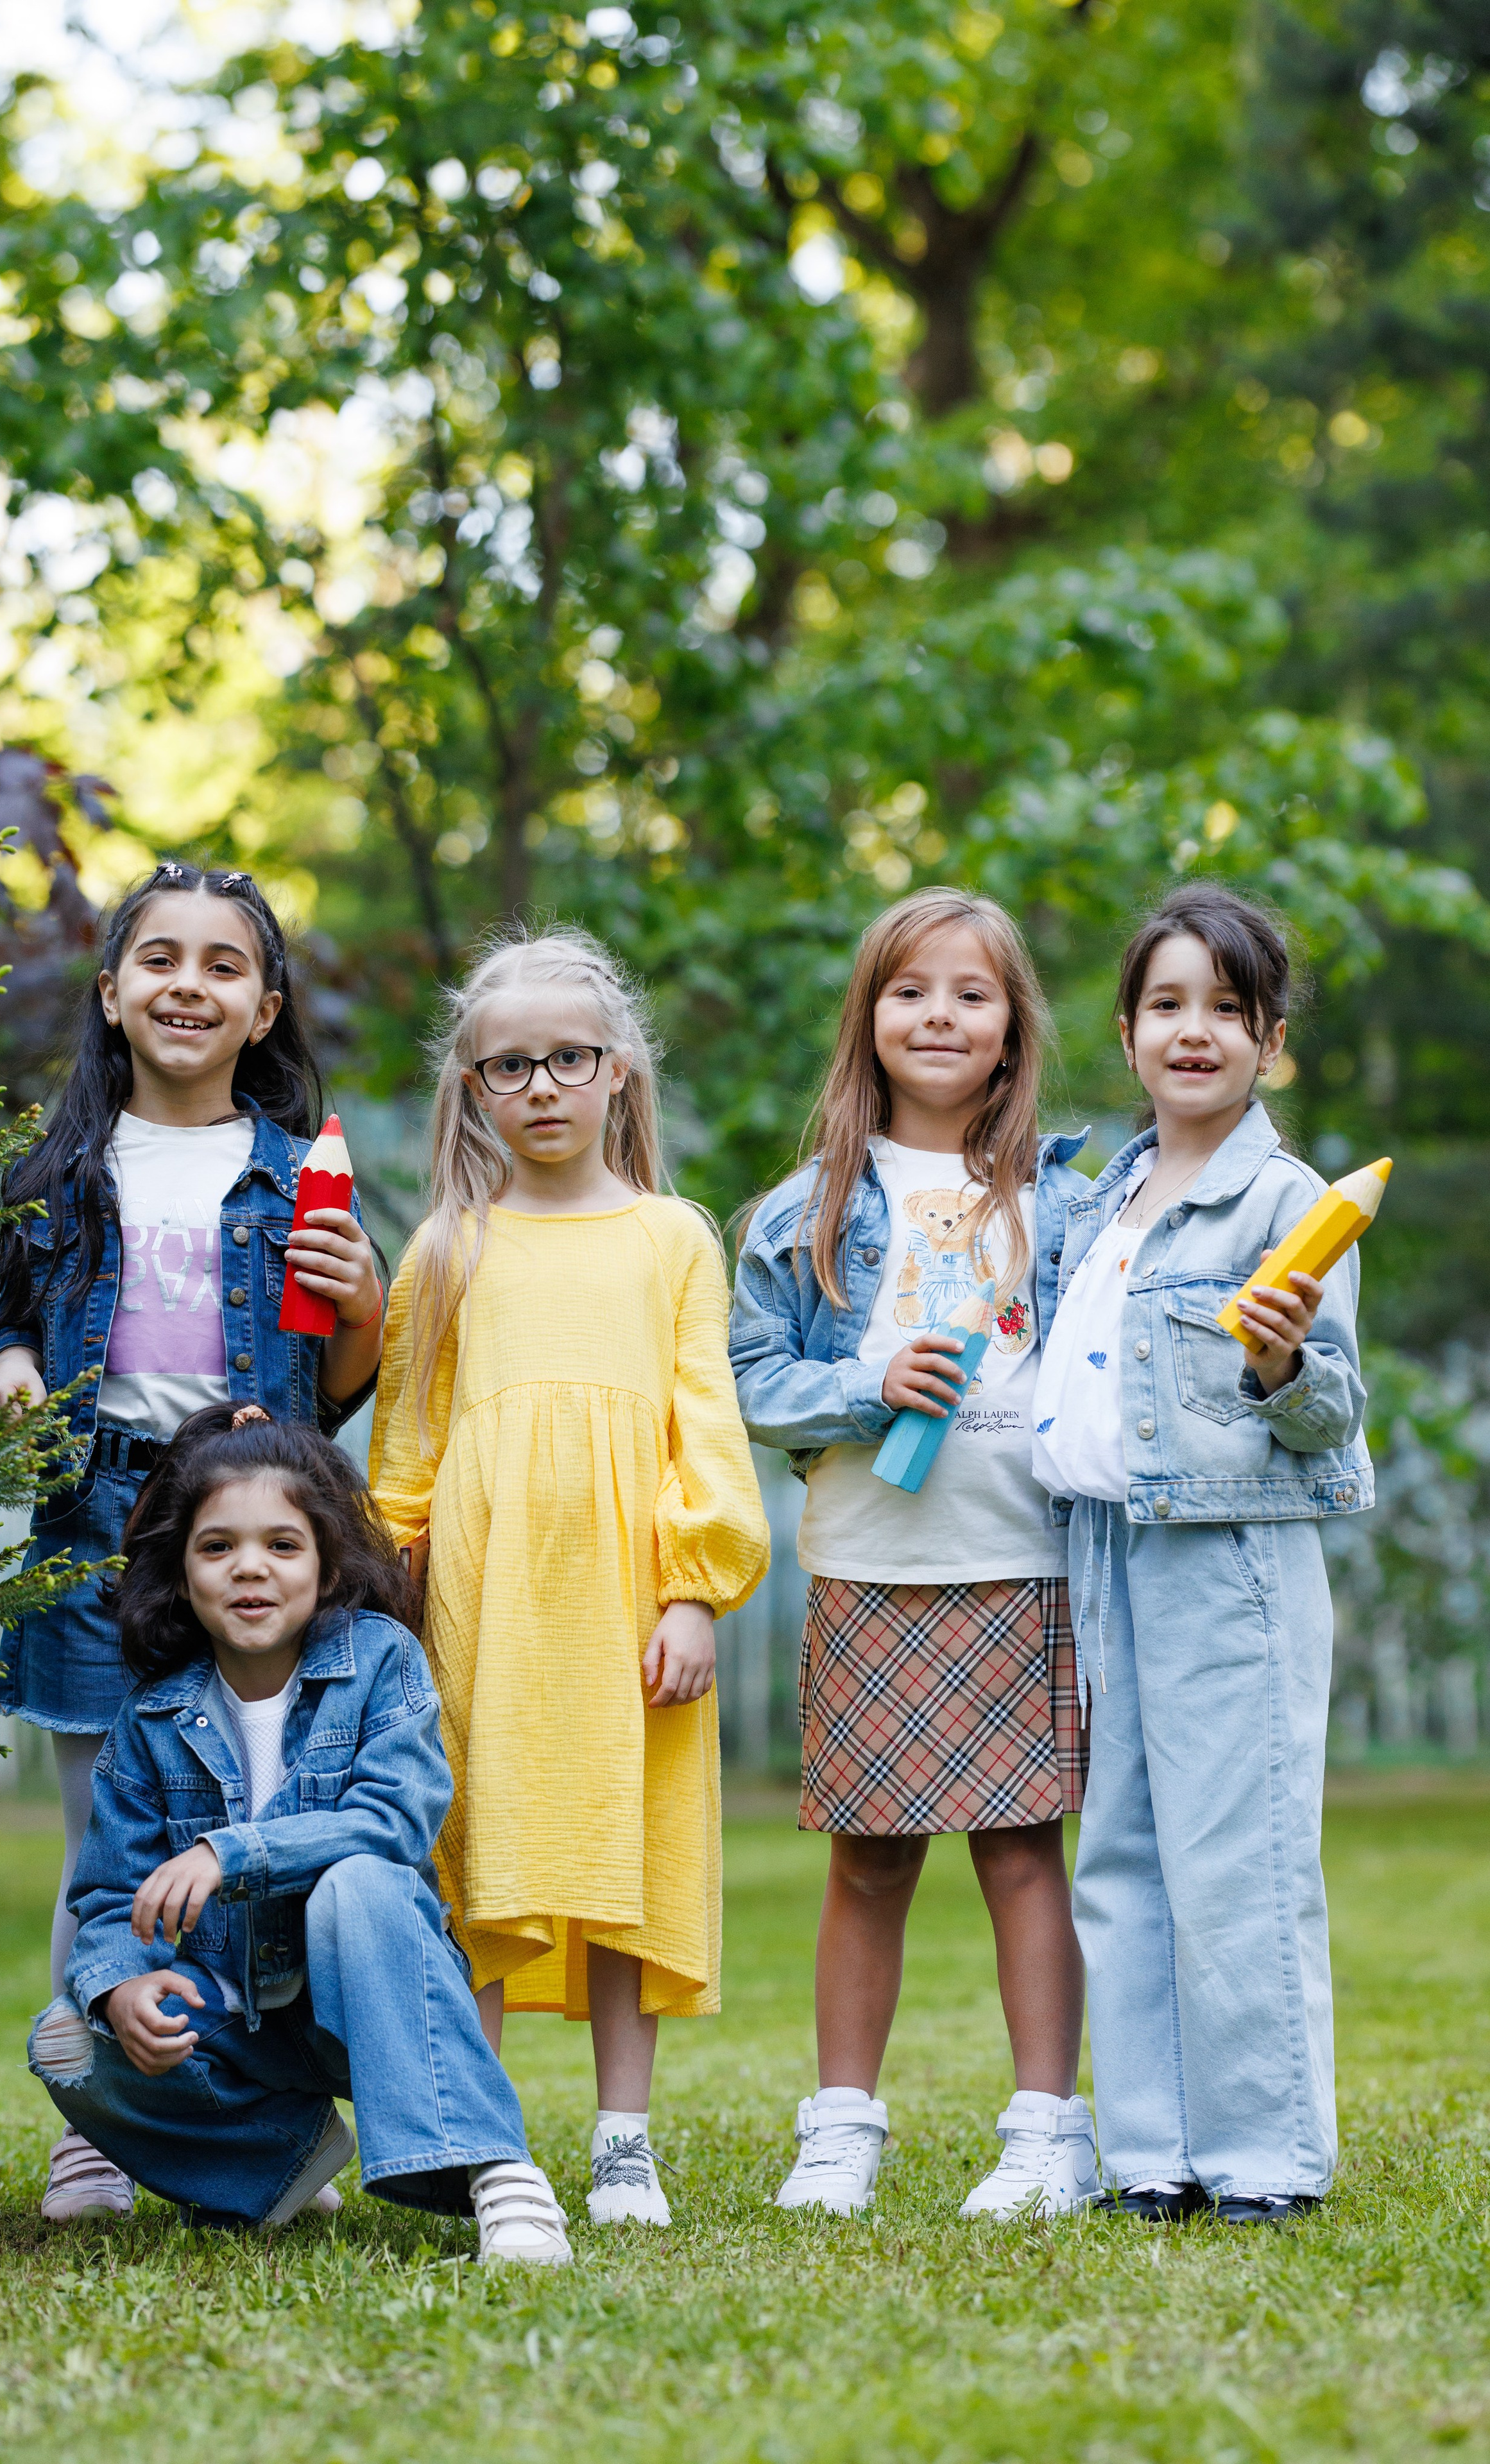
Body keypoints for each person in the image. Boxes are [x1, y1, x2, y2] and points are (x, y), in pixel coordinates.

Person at [0, 862, 385, 2225]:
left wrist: (366, 1309)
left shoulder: (296, 1177)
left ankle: (264, 2115)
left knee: (259, 1834)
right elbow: (15, 1337)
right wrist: (12, 1375)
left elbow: (331, 1394)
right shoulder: (61, 1175)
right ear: (111, 994)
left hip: (250, 1526)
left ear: (265, 1009)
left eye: (223, 966)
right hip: (96, 1529)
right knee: (107, 1844)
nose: (188, 984)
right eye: (159, 960)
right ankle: (100, 2121)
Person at [368, 926, 770, 2230]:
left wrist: (691, 1591)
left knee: (622, 1854)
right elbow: (407, 1447)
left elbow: (701, 1424)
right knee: (474, 1852)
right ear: (471, 1089)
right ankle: (481, 2139)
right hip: (478, 1610)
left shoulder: (672, 1239)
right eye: (508, 1066)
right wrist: (388, 1589)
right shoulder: (445, 1250)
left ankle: (620, 2141)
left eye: (567, 1059)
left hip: (624, 1601)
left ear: (618, 1073)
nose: (539, 1086)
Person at [730, 887, 1097, 2221]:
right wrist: (869, 1381)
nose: (937, 1014)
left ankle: (1047, 2126)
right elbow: (748, 1377)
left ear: (1010, 1033)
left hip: (1023, 1562)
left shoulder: (1063, 1203)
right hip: (873, 1561)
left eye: (970, 994)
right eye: (908, 991)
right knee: (867, 1857)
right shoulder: (807, 1207)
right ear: (867, 1020)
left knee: (1018, 1850)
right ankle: (840, 2125)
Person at [26, 1403, 572, 2263]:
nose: (251, 1570)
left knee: (360, 1881)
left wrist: (231, 1851)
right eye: (218, 1547)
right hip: (228, 2013)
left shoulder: (381, 1663)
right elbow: (108, 1896)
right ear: (180, 1571)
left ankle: (495, 2169)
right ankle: (279, 2157)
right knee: (63, 2042)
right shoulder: (150, 1718)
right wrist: (120, 1989)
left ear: (325, 1564)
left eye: (282, 1546)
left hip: (365, 1998)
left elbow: (390, 1824)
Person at [1031, 884, 1368, 2226]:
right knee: (1120, 1859)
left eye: (1223, 1011)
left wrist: (1281, 1360)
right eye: (1164, 1006)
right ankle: (1153, 2155)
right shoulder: (1104, 1190)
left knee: (1237, 1858)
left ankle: (1263, 2157)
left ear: (1267, 1042)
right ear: (1124, 1034)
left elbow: (1332, 1411)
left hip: (1225, 1559)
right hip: (1103, 1549)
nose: (1192, 1033)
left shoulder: (1282, 1197)